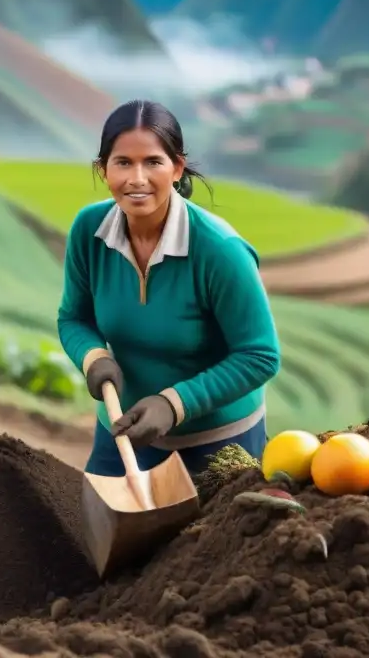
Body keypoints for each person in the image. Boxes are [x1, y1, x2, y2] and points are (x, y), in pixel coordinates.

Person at [57, 99, 282, 477]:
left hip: (217, 445)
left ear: (177, 167)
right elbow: (74, 318)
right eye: (123, 162)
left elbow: (260, 355)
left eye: (153, 162)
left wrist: (173, 404)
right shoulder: (88, 231)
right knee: (99, 529)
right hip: (123, 432)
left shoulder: (219, 251)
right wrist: (94, 357)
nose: (137, 179)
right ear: (103, 169)